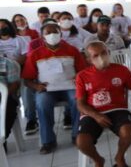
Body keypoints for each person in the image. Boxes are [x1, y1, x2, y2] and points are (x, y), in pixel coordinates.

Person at [75, 41, 131, 167]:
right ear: (89, 59)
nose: (101, 57)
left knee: (128, 131)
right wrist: (96, 115)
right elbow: (80, 104)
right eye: (95, 55)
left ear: (109, 52)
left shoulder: (121, 70)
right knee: (82, 142)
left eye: (104, 53)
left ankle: (120, 158)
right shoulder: (82, 76)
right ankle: (98, 161)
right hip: (92, 112)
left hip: (117, 109)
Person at [22, 20, 87, 153]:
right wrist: (36, 86)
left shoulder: (72, 50)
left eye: (55, 32)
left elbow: (83, 71)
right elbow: (27, 79)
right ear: (42, 36)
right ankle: (48, 141)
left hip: (70, 87)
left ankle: (77, 135)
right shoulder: (35, 54)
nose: (52, 35)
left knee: (77, 100)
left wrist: (78, 79)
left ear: (60, 34)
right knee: (42, 103)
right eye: (48, 32)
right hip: (47, 89)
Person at [0, 20, 34, 134]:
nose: (2, 29)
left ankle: (31, 119)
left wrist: (11, 64)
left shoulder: (20, 40)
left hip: (18, 69)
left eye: (4, 27)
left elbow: (25, 56)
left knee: (26, 91)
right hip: (2, 71)